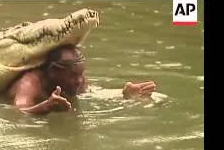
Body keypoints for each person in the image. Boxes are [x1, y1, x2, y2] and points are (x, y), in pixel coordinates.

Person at [8, 44, 157, 115]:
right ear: (53, 71)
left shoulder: (78, 81)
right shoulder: (30, 83)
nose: (79, 81)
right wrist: (46, 107)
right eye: (73, 75)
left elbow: (92, 94)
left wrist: (124, 94)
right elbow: (18, 113)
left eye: (81, 74)